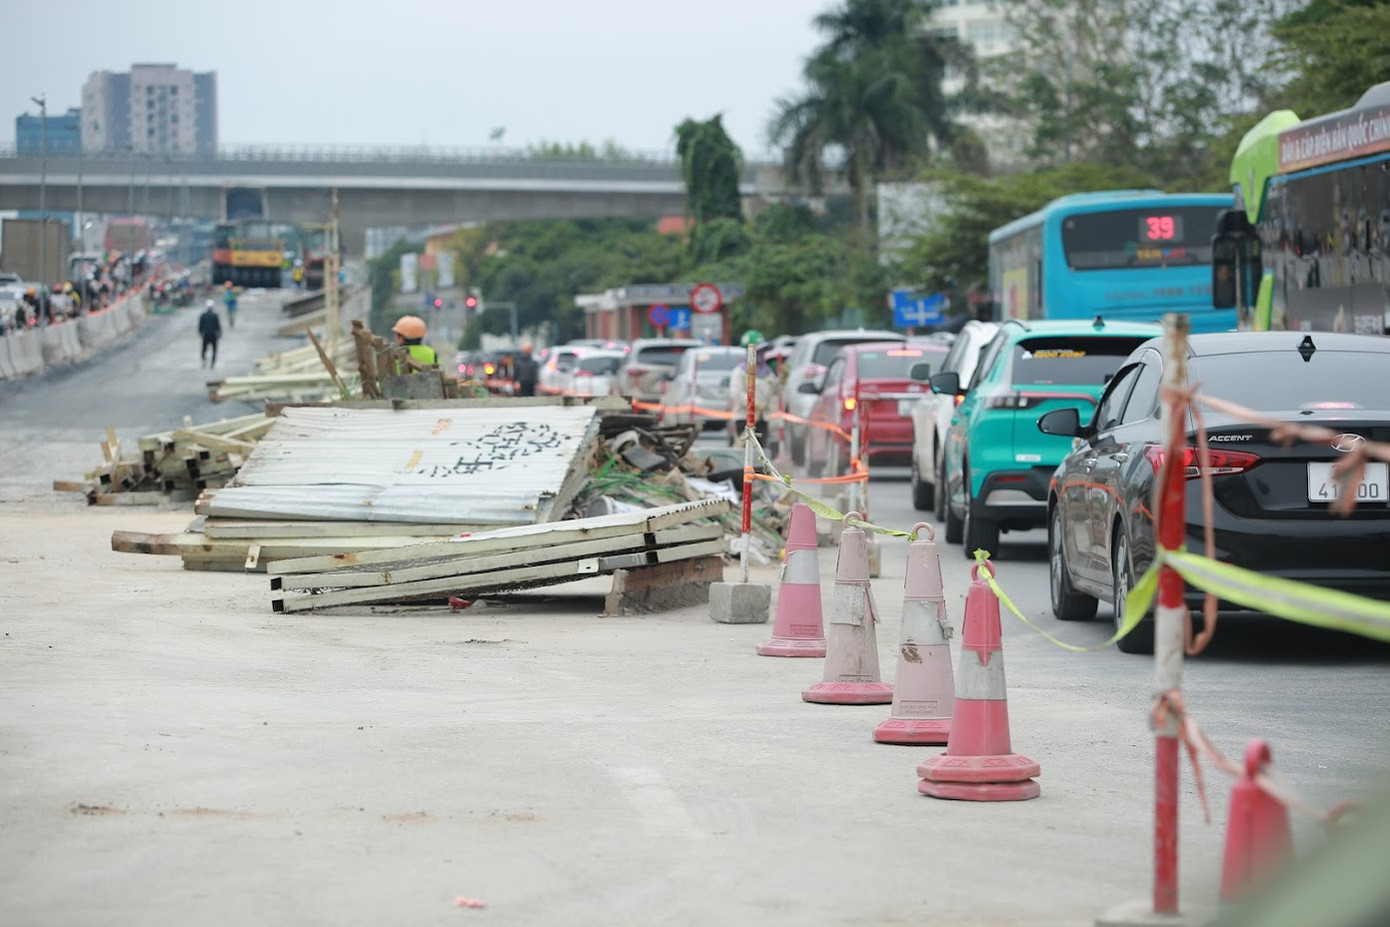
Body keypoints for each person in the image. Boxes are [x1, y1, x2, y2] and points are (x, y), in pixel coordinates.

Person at [198, 299, 222, 368]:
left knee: (204, 349)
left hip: (205, 334)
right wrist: (219, 334)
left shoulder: (203, 315)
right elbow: (218, 325)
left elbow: (200, 326)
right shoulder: (215, 315)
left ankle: (204, 360)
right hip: (213, 335)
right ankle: (212, 363)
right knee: (214, 349)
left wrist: (200, 333)